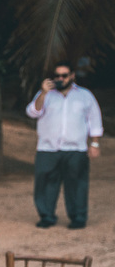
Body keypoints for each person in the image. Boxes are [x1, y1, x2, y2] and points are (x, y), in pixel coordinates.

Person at [26, 61, 103, 229]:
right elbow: (33, 112)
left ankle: (78, 217)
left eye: (64, 75)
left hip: (75, 149)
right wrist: (43, 93)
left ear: (72, 76)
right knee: (45, 184)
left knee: (77, 185)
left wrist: (95, 144)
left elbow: (94, 120)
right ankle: (46, 216)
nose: (60, 79)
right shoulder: (45, 94)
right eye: (57, 76)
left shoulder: (85, 95)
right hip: (48, 148)